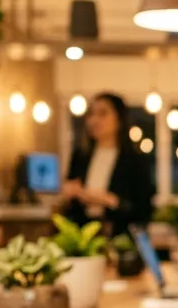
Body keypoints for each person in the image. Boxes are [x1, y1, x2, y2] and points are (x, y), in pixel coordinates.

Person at [60, 92, 154, 232]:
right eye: (91, 114)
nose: (94, 120)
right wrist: (69, 192)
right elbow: (69, 202)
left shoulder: (134, 160)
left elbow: (144, 210)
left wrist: (110, 201)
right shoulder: (80, 157)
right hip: (82, 233)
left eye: (103, 113)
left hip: (119, 236)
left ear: (119, 119)